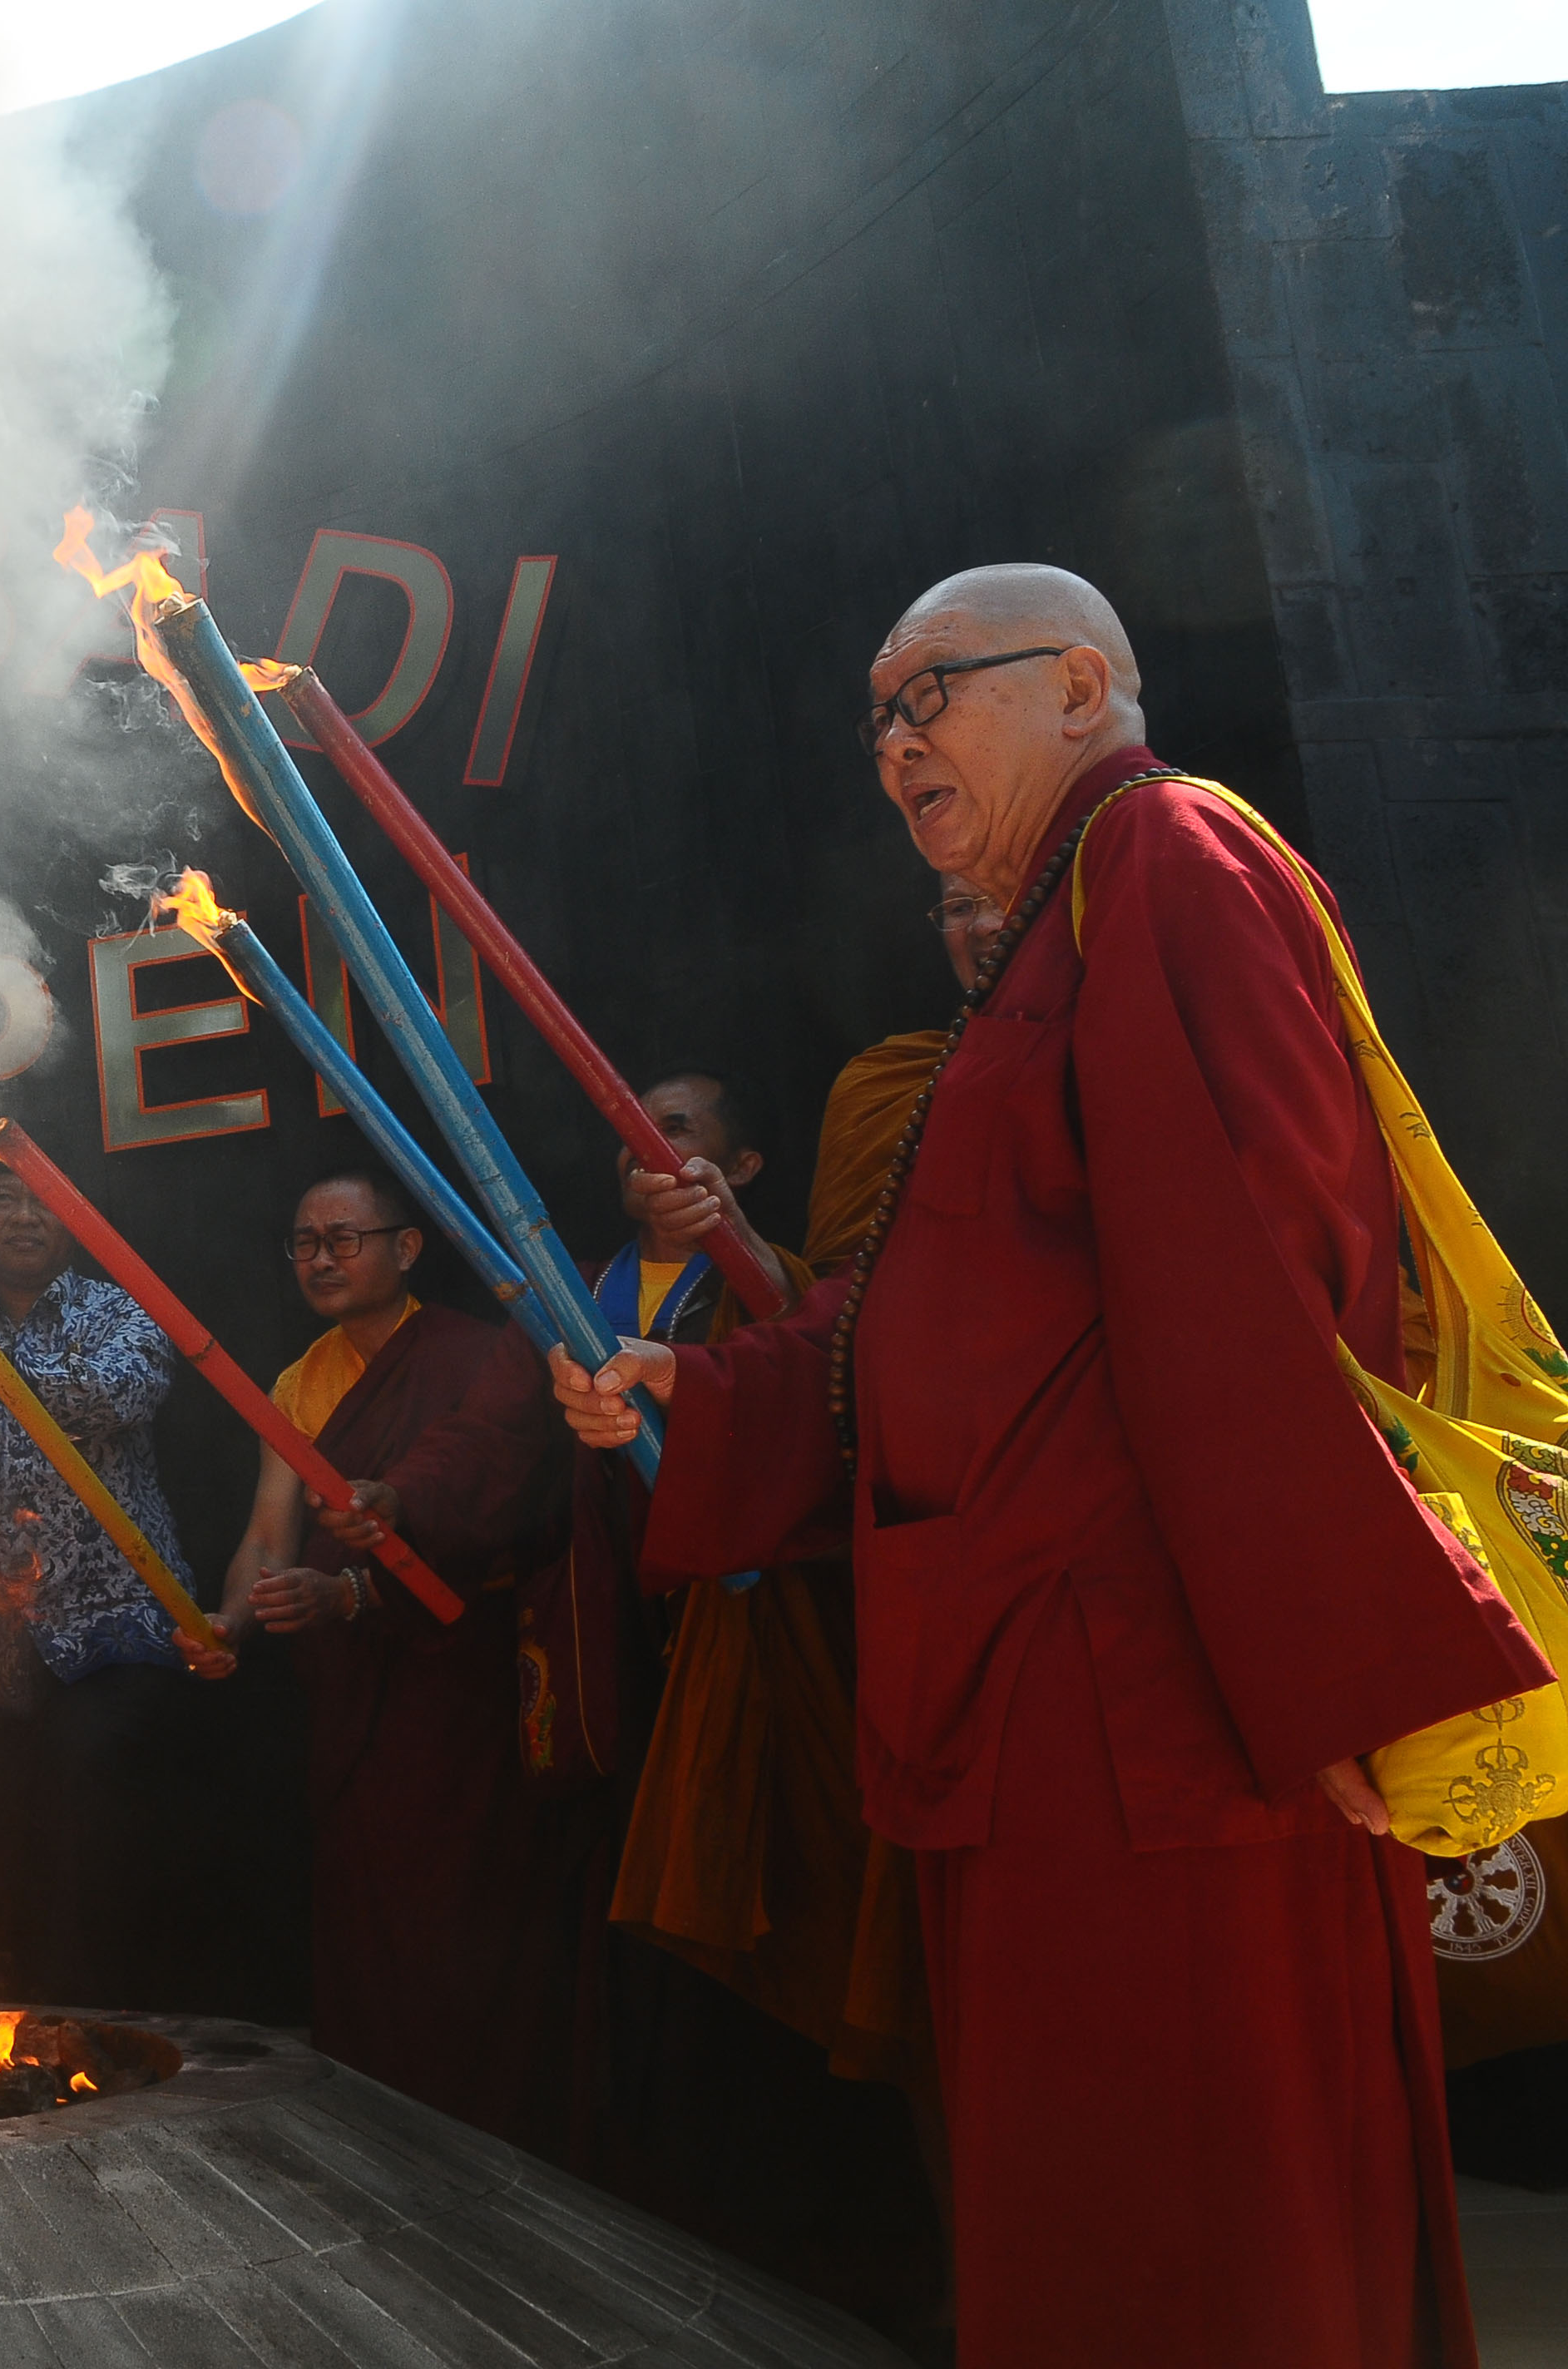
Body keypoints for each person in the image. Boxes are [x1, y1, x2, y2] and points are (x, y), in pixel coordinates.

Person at [553, 563, 1545, 2368]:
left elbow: (1267, 1256)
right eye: (873, 716)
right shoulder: (1040, 943)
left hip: (1160, 1709)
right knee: (1085, 2219)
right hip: (1036, 1701)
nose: (890, 745)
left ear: (1078, 686)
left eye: (926, 693)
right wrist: (707, 1394)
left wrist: (1322, 1660)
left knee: (1199, 2230)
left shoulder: (1164, 852)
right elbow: (946, 1318)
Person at [577, 1080, 943, 2335]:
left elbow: (814, 1379)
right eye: (637, 1131)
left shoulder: (787, 1280)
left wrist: (736, 1269)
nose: (651, 1150)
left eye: (678, 1129)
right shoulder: (581, 1285)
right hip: (646, 1634)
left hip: (784, 1636)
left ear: (742, 1164)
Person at [217, 1170, 581, 2159]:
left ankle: (498, 2145)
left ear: (406, 1247)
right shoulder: (299, 1381)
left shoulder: (481, 1359)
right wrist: (228, 1621)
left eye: (344, 1238)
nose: (321, 1259)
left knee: (472, 1926)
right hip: (354, 1697)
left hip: (461, 1687)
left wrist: (353, 1591)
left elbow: (514, 1527)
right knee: (371, 1922)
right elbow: (267, 1535)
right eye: (304, 1243)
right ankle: (382, 2147)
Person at [0, 1164, 226, 2007]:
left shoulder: (119, 1312)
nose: (25, 1218)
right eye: (5, 1200)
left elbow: (114, 1395)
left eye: (44, 1202)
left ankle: (104, 2030)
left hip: (113, 1634)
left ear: (73, 1220)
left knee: (96, 1839)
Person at [804, 876, 996, 1271]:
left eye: (1010, 897)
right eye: (960, 908)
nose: (984, 925)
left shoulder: (1103, 1056)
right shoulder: (880, 1082)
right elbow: (835, 1289)